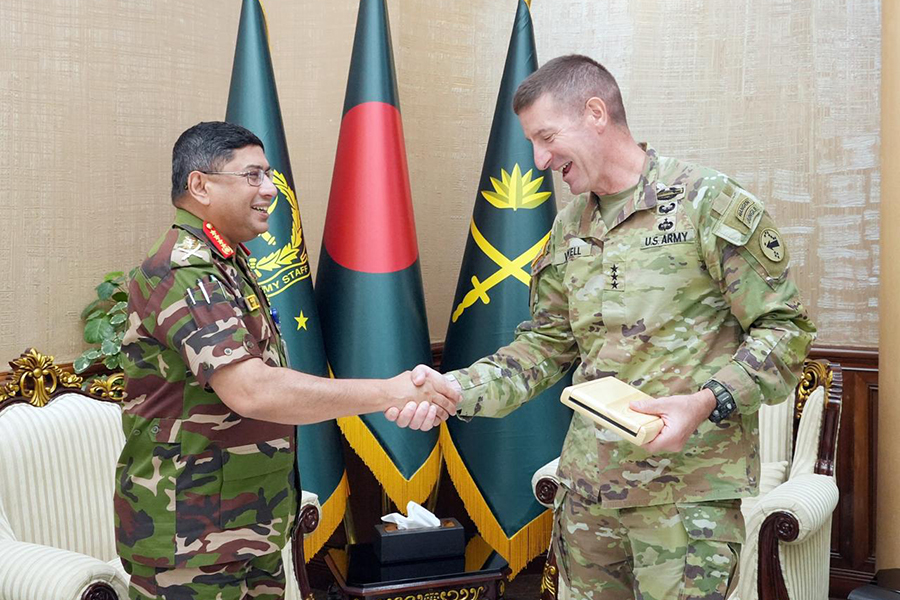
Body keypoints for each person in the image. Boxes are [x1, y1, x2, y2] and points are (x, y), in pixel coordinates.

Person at [399, 55, 816, 599]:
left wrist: (706, 401)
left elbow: (784, 331)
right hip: (588, 495)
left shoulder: (706, 204)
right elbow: (545, 346)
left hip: (683, 500)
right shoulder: (569, 226)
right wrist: (457, 388)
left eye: (546, 137)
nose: (539, 159)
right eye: (532, 142)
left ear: (596, 113)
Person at [115, 121, 459, 599]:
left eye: (269, 175)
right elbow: (252, 390)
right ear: (200, 185)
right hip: (190, 540)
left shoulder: (228, 262)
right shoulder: (184, 269)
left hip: (241, 526)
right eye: (252, 175)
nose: (270, 190)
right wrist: (389, 392)